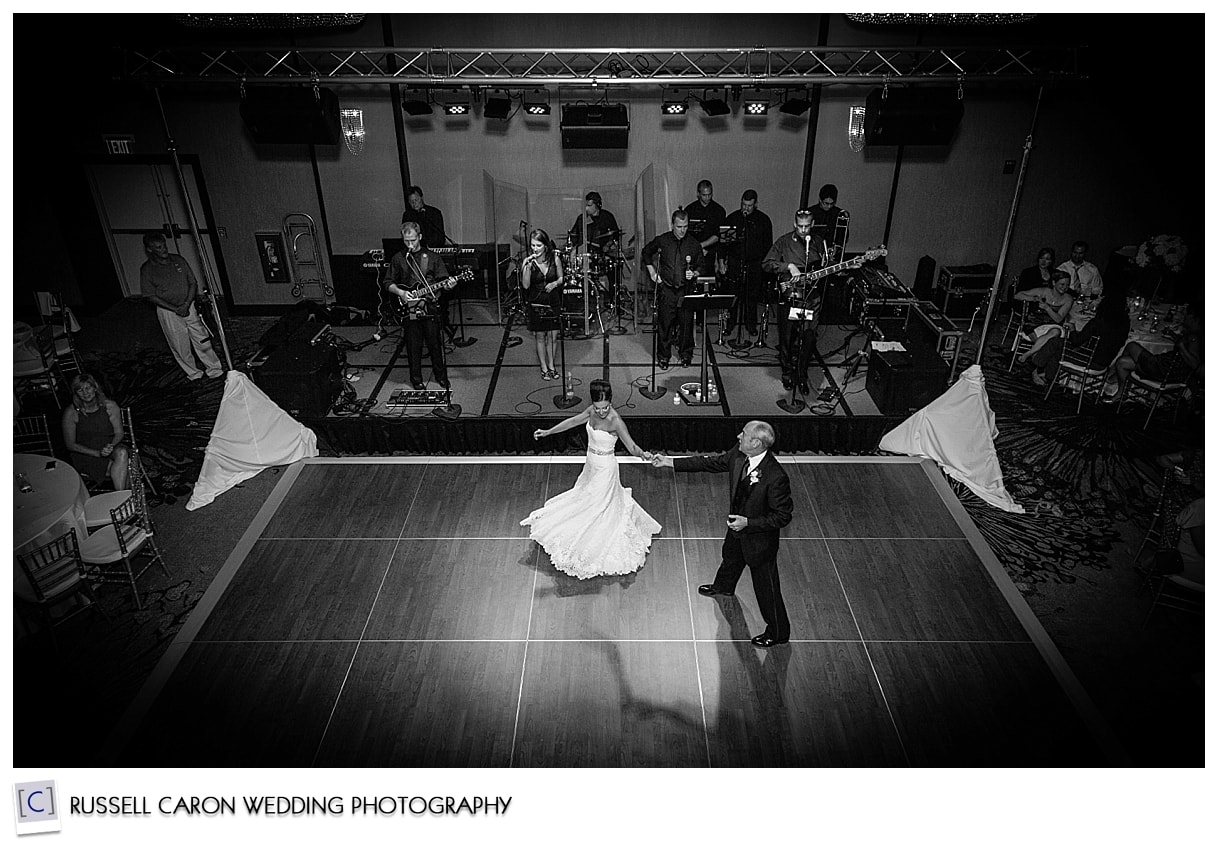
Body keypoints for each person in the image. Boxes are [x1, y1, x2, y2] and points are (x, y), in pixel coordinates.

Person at [651, 420, 793, 647]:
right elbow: (710, 463)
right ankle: (724, 587)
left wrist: (749, 523)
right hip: (736, 529)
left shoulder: (776, 477)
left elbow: (782, 516)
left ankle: (778, 632)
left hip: (758, 541)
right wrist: (670, 462)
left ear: (756, 442)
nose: (738, 436)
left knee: (767, 590)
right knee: (730, 559)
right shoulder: (738, 455)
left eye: (743, 434)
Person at [522, 380, 661, 579]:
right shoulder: (592, 411)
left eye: (605, 408)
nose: (602, 412)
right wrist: (548, 432)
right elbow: (572, 422)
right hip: (591, 465)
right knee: (584, 499)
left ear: (611, 403)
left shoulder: (616, 421)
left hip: (606, 469)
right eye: (598, 408)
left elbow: (632, 447)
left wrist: (644, 455)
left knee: (599, 506)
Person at [138, 232, 224, 381]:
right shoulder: (147, 269)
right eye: (159, 247)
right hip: (168, 311)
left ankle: (214, 368)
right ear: (150, 250)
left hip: (188, 305)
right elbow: (150, 295)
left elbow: (193, 282)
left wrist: (186, 304)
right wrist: (175, 308)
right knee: (179, 343)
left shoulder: (178, 260)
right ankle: (193, 373)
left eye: (164, 245)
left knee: (201, 337)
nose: (164, 249)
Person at [763, 209, 827, 394]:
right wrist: (788, 266)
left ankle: (802, 374)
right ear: (794, 224)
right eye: (800, 226)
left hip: (812, 298)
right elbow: (766, 263)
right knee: (787, 337)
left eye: (807, 226)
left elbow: (826, 266)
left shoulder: (819, 243)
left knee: (808, 337)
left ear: (812, 225)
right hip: (791, 297)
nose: (803, 230)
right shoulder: (784, 241)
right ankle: (787, 373)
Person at [384, 221, 454, 390]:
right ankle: (416, 379)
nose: (410, 244)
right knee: (413, 344)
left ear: (420, 237)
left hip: (429, 305)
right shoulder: (398, 258)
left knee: (434, 343)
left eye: (413, 240)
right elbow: (387, 282)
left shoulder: (432, 257)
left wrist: (449, 284)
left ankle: (440, 376)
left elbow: (443, 280)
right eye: (406, 241)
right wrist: (401, 293)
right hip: (410, 307)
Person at [1026, 290, 1130, 387]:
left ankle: (1037, 369)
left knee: (1055, 344)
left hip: (1090, 361)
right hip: (1105, 362)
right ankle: (1047, 378)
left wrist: (1072, 329)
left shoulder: (1098, 322)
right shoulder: (1125, 323)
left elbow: (1076, 341)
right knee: (1057, 348)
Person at [641, 209, 703, 368]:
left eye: (686, 226)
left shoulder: (694, 244)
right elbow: (646, 252)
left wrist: (694, 273)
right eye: (679, 226)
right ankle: (663, 356)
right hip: (667, 289)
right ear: (672, 225)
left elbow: (702, 265)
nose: (683, 230)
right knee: (665, 324)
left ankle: (686, 354)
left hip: (685, 290)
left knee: (686, 324)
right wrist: (652, 272)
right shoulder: (663, 240)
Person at [1110, 301, 1203, 397]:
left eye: (1187, 315)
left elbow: (1195, 363)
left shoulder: (1195, 338)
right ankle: (1121, 393)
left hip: (1164, 371)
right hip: (1164, 366)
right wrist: (1173, 336)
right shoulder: (1192, 333)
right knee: (1122, 362)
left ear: (1195, 318)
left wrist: (1181, 346)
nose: (1184, 317)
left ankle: (1114, 377)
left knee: (1132, 345)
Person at [61, 373, 129, 490]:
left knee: (122, 453)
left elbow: (119, 433)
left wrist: (111, 446)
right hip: (86, 454)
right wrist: (97, 453)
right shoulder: (71, 413)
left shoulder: (110, 406)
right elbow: (70, 445)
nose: (85, 393)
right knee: (126, 470)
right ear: (76, 393)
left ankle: (124, 498)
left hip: (109, 446)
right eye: (80, 390)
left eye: (88, 388)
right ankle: (126, 499)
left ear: (95, 388)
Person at [721, 189, 773, 337]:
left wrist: (764, 266)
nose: (746, 208)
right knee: (733, 297)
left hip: (755, 264)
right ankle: (729, 325)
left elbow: (767, 246)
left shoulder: (764, 220)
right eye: (743, 204)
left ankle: (751, 325)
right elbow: (723, 243)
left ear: (755, 204)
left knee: (752, 297)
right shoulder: (732, 218)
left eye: (749, 205)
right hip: (735, 262)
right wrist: (721, 262)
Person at [520, 228, 563, 380]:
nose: (535, 249)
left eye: (538, 245)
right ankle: (543, 367)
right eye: (532, 245)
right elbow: (525, 285)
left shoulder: (554, 259)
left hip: (553, 301)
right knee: (540, 337)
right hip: (536, 303)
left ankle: (552, 366)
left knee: (553, 336)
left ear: (545, 245)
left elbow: (561, 279)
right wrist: (525, 266)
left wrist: (554, 284)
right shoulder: (529, 263)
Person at [1013, 270, 1074, 364]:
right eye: (1062, 284)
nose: (1065, 287)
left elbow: (1058, 319)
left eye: (1067, 285)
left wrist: (1047, 307)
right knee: (1050, 342)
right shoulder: (1044, 291)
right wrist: (1033, 299)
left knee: (1055, 332)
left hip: (1052, 326)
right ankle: (1038, 358)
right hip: (1034, 324)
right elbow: (1018, 295)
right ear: (1054, 283)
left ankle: (1029, 353)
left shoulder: (1068, 299)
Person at [683, 179, 727, 277]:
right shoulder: (690, 209)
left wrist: (703, 246)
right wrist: (697, 248)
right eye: (704, 195)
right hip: (692, 253)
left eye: (709, 194)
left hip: (711, 253)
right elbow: (685, 233)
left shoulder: (719, 211)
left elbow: (719, 235)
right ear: (698, 194)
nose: (707, 197)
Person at [809, 183, 848, 260]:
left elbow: (843, 235)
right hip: (814, 253)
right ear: (820, 200)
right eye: (826, 203)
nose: (829, 206)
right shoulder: (811, 213)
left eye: (832, 204)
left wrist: (837, 247)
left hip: (833, 254)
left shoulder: (839, 214)